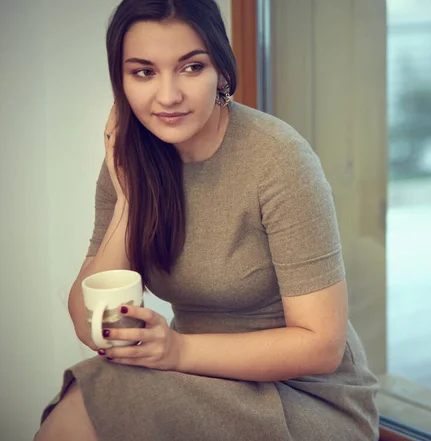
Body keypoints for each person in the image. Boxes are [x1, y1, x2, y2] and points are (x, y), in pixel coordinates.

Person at [35, 0, 379, 440]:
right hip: (201, 379)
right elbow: (90, 325)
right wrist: (127, 201)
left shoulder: (279, 160)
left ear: (221, 70)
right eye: (143, 72)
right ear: (120, 81)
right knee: (90, 394)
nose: (168, 95)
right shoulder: (128, 163)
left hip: (306, 396)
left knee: (96, 398)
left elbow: (321, 345)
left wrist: (177, 350)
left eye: (191, 68)